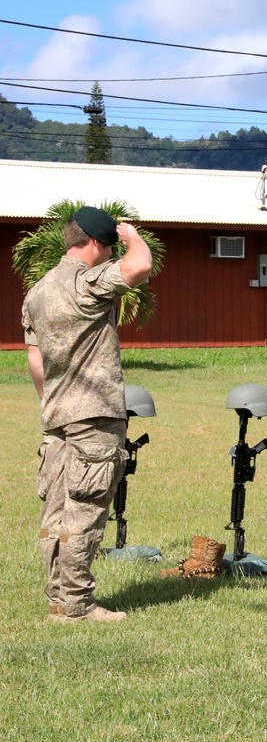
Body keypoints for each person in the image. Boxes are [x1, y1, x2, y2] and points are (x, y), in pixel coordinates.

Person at [22, 205, 152, 623]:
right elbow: (140, 267)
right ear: (95, 243)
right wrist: (131, 235)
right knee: (86, 509)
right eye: (109, 245)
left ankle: (59, 599)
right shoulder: (88, 282)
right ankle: (77, 606)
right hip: (94, 416)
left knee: (57, 511)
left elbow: (36, 361)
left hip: (56, 415)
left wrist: (52, 402)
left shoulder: (37, 292)